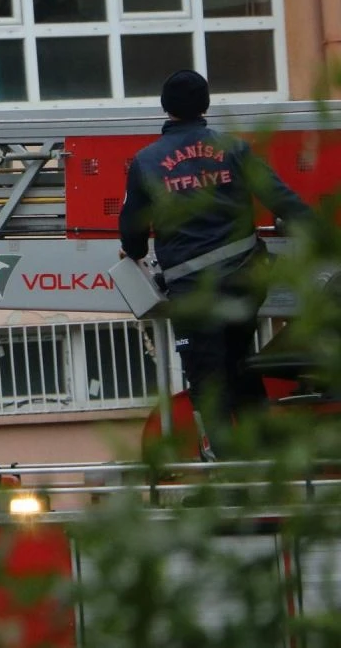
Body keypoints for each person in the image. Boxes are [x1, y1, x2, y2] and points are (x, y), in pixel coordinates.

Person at [118, 70, 312, 459]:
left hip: (193, 295)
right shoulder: (235, 149)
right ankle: (266, 458)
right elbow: (285, 201)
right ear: (205, 106)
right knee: (239, 364)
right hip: (245, 280)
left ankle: (230, 474)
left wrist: (135, 249)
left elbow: (133, 238)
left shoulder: (146, 161)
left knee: (208, 380)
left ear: (165, 108)